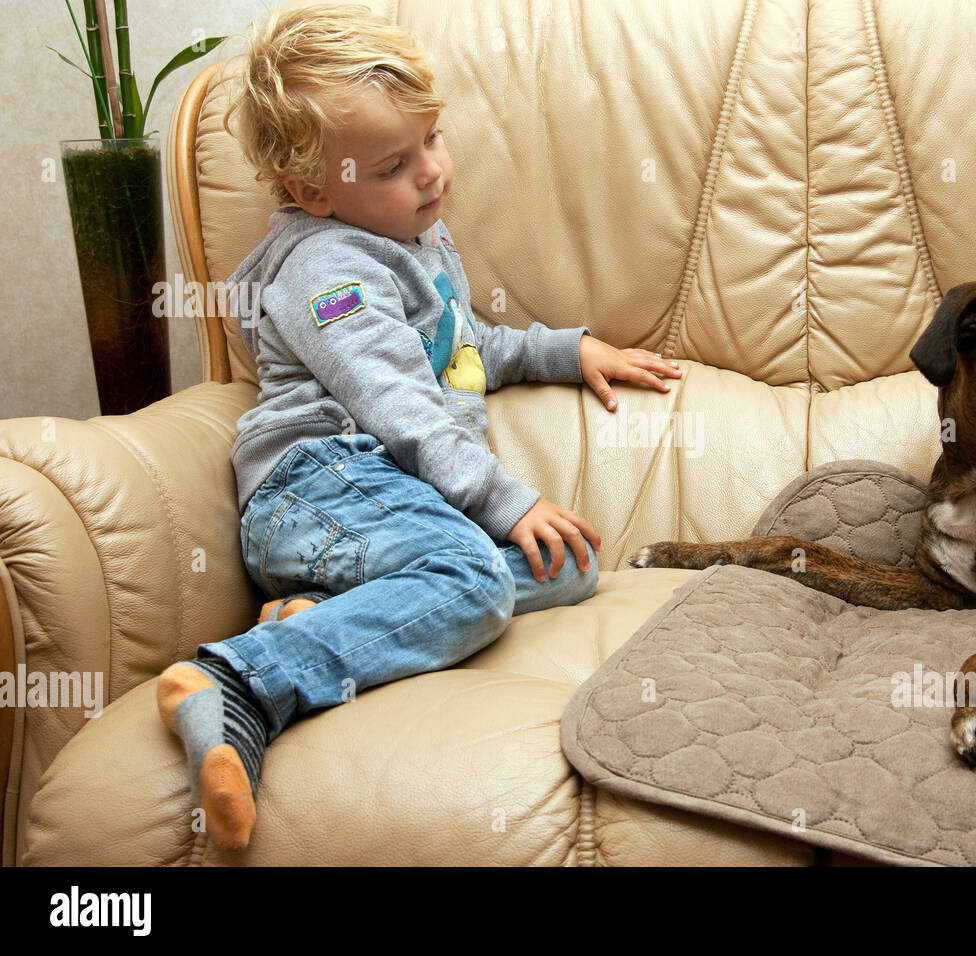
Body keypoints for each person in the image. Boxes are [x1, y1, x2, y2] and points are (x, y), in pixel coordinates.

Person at [156, 2, 682, 851]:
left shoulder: (411, 240)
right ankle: (241, 684)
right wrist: (504, 502)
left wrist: (569, 349)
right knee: (477, 578)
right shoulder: (328, 272)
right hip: (322, 484)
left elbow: (468, 349)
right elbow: (403, 409)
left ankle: (317, 613)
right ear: (311, 193)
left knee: (573, 567)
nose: (432, 171)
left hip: (381, 501)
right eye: (396, 162)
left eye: (432, 139)